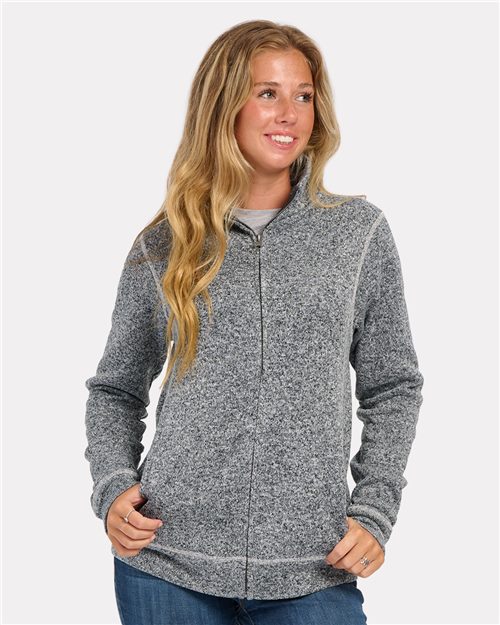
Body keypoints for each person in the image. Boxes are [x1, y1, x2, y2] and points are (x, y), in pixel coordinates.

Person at [84, 19, 424, 625]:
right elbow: (116, 388)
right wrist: (113, 487)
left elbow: (393, 385)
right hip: (167, 559)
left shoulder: (358, 234)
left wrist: (375, 511)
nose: (289, 113)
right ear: (224, 106)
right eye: (267, 93)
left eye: (304, 95)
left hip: (313, 563)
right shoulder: (165, 244)